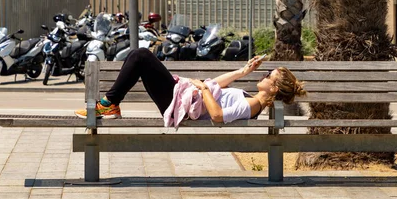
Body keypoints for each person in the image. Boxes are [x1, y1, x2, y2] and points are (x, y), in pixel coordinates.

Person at [75, 49, 307, 128]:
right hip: (182, 98)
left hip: (180, 105)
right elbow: (218, 85)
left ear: (274, 89)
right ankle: (110, 105)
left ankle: (108, 105)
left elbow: (217, 116)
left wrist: (203, 88)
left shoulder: (252, 105)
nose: (264, 74)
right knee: (137, 57)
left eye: (269, 75)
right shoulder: (250, 99)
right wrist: (243, 71)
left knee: (140, 56)